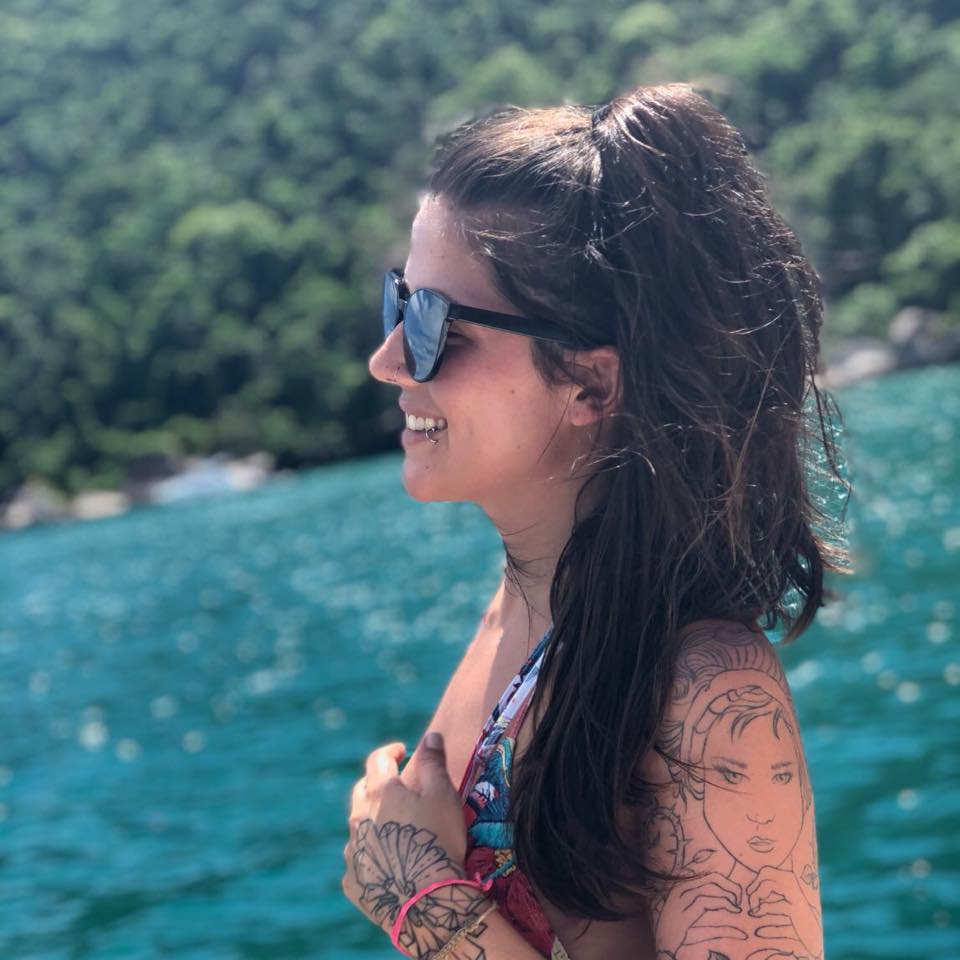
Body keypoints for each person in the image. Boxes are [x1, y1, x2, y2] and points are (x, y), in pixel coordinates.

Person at [342, 82, 846, 960]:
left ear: (591, 383)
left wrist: (418, 898)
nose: (387, 360)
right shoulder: (523, 606)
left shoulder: (708, 690)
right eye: (399, 303)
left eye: (431, 325)